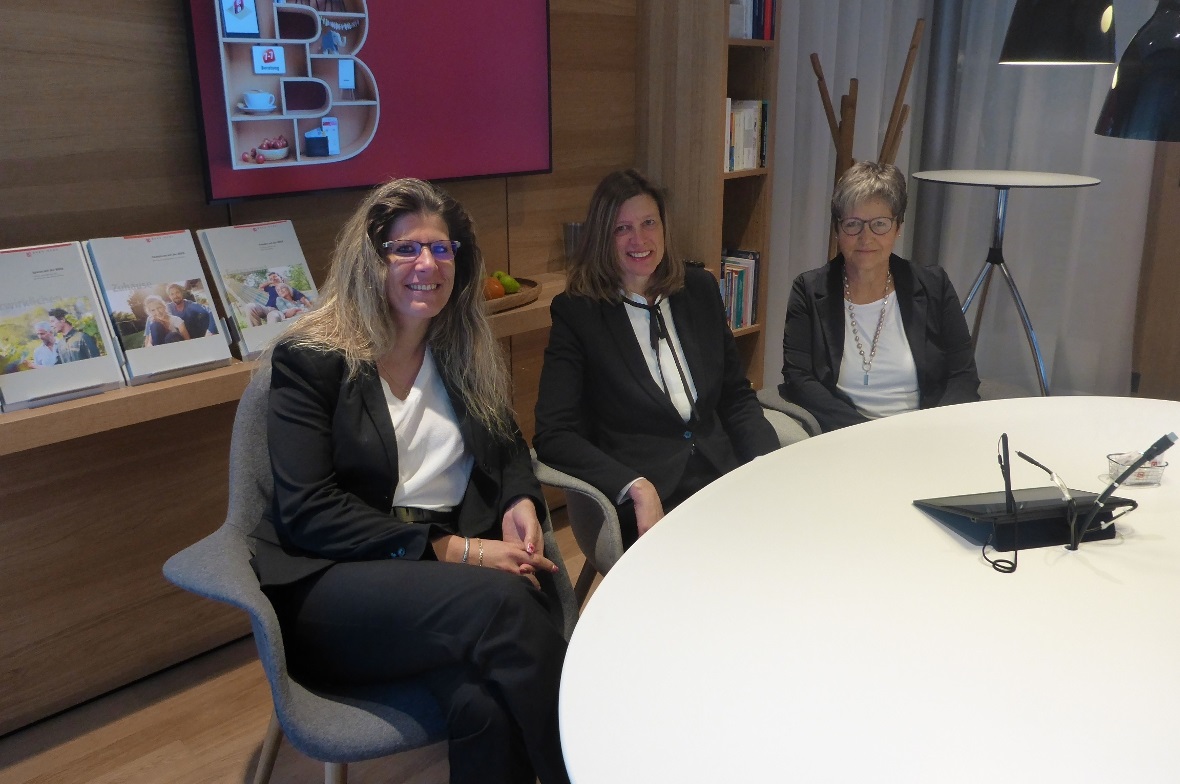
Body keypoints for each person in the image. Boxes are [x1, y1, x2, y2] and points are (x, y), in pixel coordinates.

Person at [252, 178, 570, 784]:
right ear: (369, 262)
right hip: (335, 586)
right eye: (406, 249)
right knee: (507, 605)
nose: (427, 264)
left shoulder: (459, 351)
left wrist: (520, 499)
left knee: (487, 704)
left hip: (441, 596)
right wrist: (454, 550)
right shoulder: (310, 360)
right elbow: (307, 509)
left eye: (442, 250)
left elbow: (507, 449)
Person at [533, 169, 779, 547]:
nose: (640, 239)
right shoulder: (578, 313)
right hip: (651, 497)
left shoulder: (699, 289)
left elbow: (735, 394)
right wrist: (634, 486)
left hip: (722, 476)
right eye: (622, 229)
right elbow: (553, 434)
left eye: (649, 223)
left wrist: (767, 462)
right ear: (602, 238)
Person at [779, 161, 980, 432]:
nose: (866, 238)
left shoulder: (934, 286)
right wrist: (868, 434)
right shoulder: (809, 290)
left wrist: (933, 429)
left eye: (880, 224)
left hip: (925, 435)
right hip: (846, 435)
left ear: (898, 227)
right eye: (853, 224)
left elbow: (962, 375)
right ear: (837, 230)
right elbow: (799, 378)